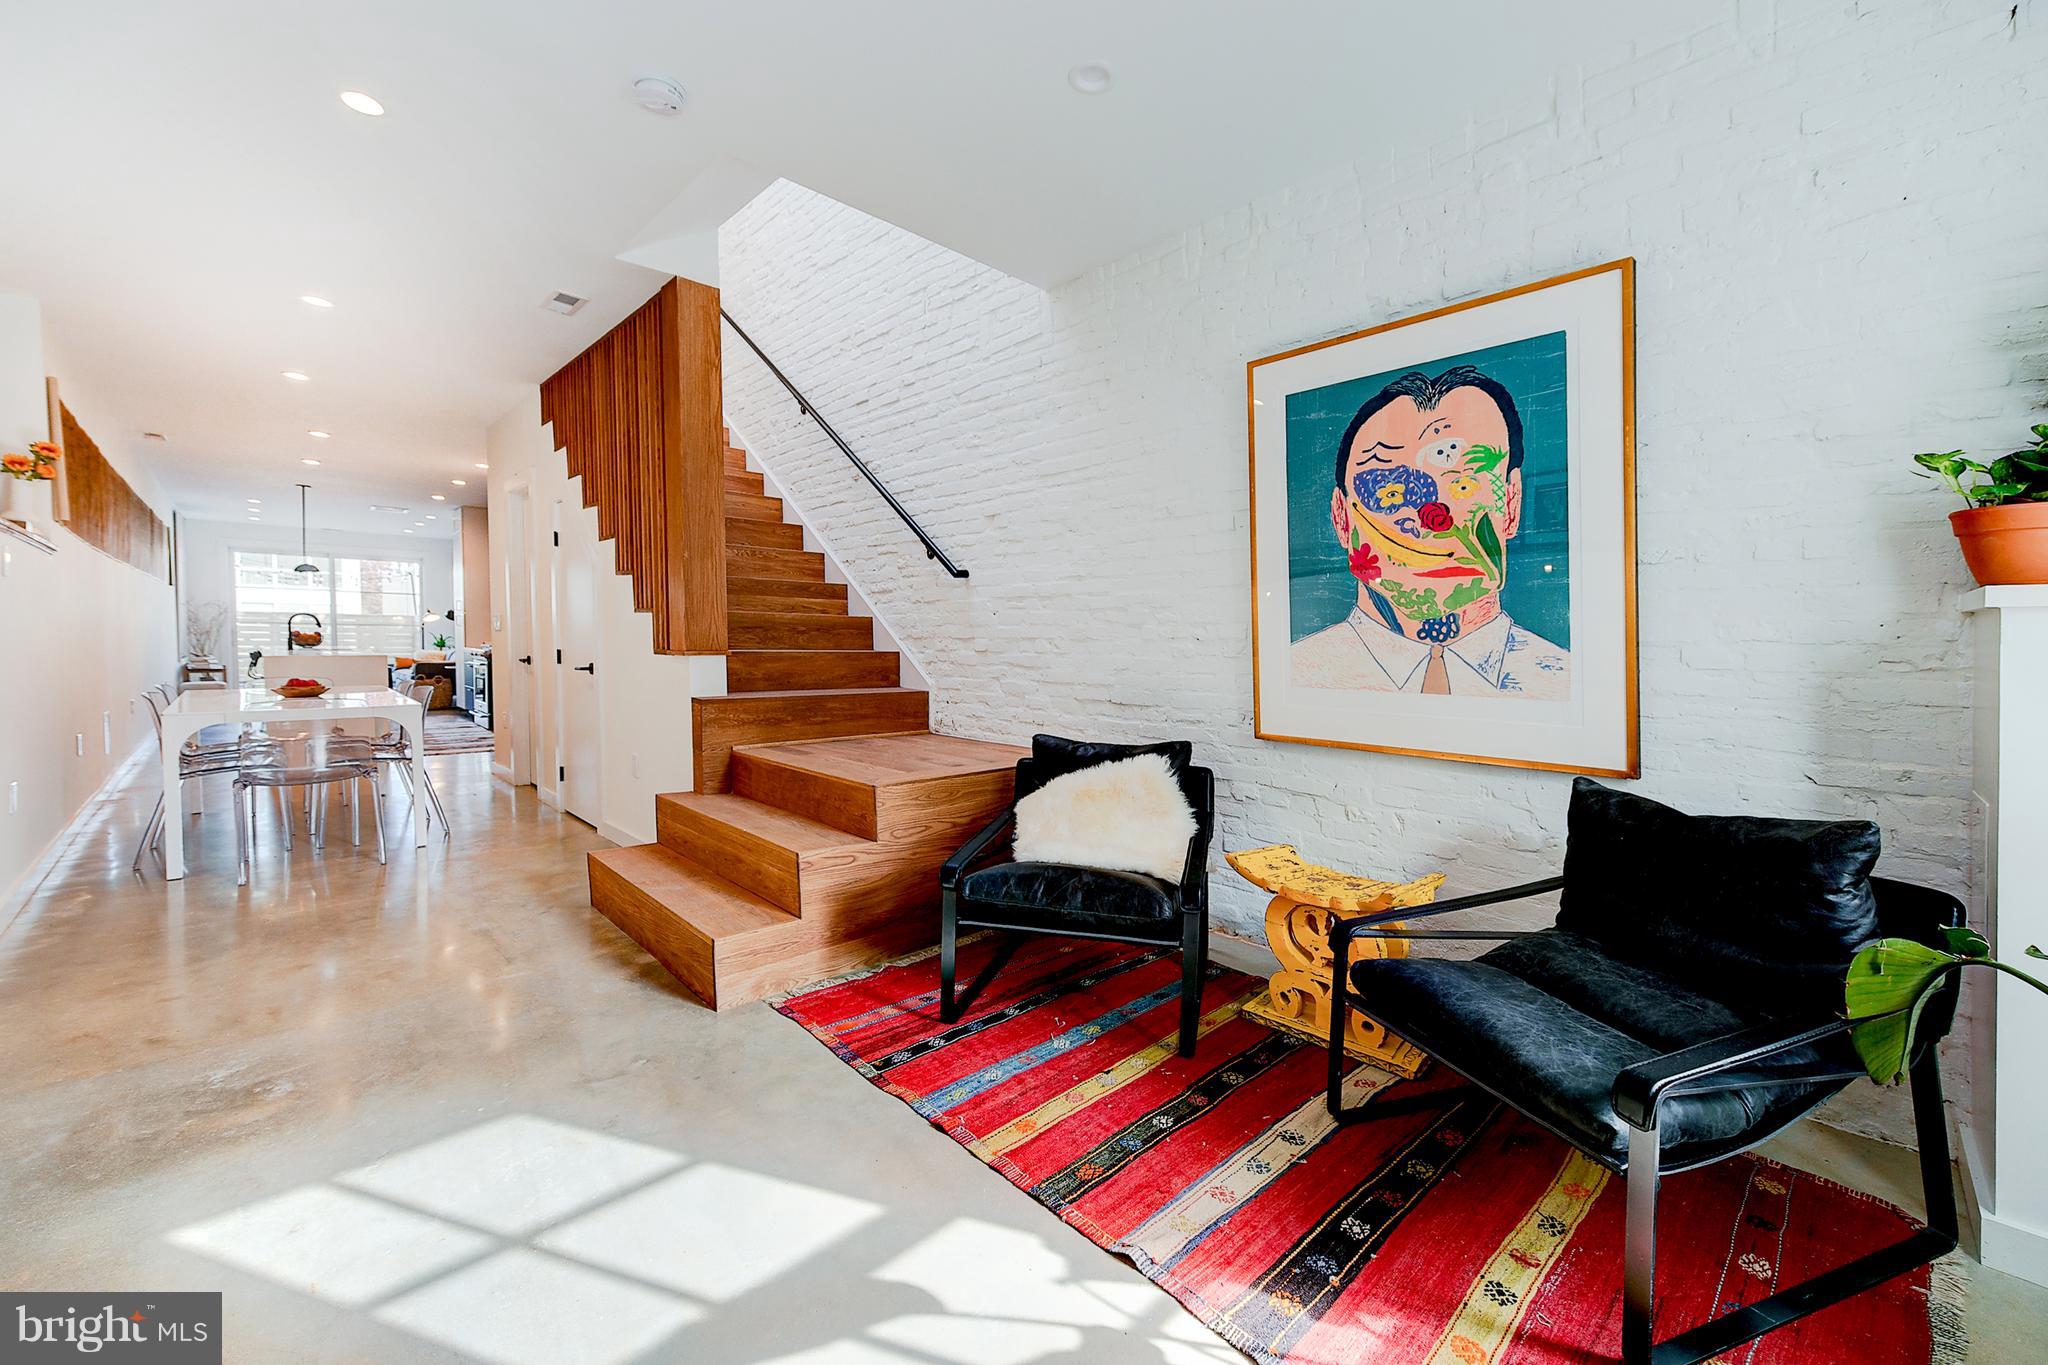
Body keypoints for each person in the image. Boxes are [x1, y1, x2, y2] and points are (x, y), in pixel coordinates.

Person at [1291, 365, 1570, 699]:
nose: (1431, 518)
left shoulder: (1566, 684)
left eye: (1465, 481)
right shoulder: (1295, 677)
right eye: (1388, 485)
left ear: (1511, 503)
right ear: (1341, 517)